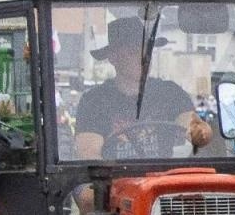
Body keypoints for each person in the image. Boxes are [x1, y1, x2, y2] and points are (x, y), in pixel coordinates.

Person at [73, 17, 212, 160]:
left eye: (147, 51)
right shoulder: (94, 101)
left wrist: (200, 132)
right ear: (113, 58)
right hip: (116, 179)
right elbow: (89, 152)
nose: (144, 58)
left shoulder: (170, 93)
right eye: (133, 52)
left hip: (163, 179)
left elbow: (190, 123)